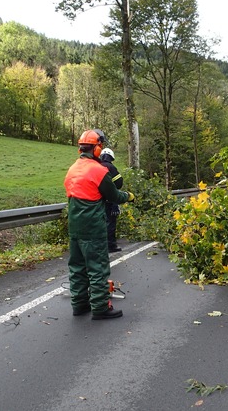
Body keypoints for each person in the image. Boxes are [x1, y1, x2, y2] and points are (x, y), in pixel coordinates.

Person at [63, 129, 135, 320]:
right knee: (97, 267)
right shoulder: (98, 171)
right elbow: (114, 196)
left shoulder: (72, 169)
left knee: (77, 266)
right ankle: (100, 307)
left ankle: (79, 305)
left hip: (74, 226)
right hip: (92, 226)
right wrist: (128, 196)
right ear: (96, 149)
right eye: (99, 146)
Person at [99, 148, 124, 253]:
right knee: (110, 222)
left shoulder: (96, 166)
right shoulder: (111, 167)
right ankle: (111, 245)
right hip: (109, 200)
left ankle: (100, 245)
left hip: (96, 200)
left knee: (99, 223)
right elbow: (119, 183)